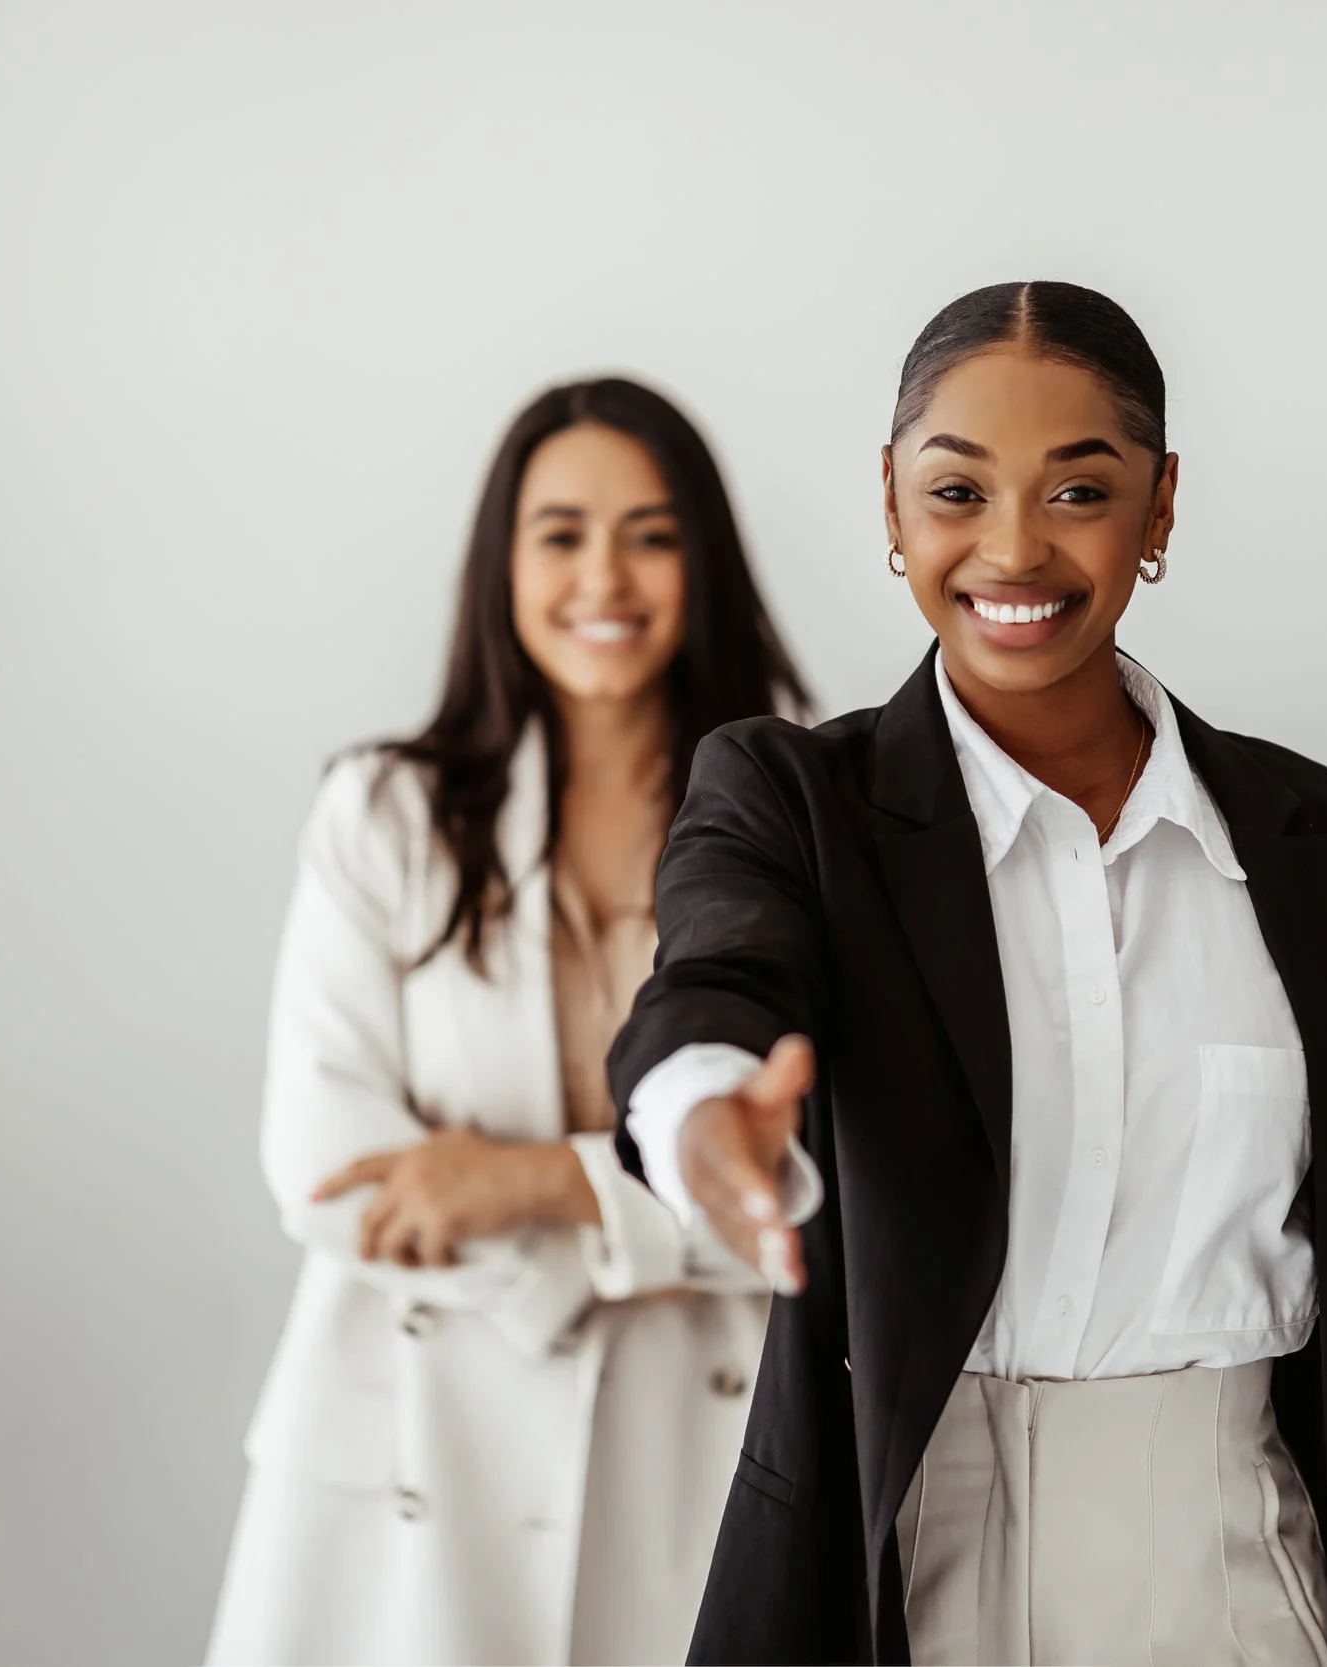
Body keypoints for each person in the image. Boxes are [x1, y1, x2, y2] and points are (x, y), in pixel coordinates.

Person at [607, 281, 1327, 1666]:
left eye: (1078, 492)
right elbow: (715, 970)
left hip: (1235, 1562)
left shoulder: (1324, 845)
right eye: (956, 490)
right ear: (889, 503)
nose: (1013, 547)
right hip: (909, 1561)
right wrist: (708, 1115)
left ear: (1160, 507)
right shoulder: (790, 796)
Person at [208, 377, 808, 1666]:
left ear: (705, 560)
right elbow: (331, 1174)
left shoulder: (803, 813)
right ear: (504, 564)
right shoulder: (387, 816)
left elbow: (819, 1189)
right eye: (562, 533)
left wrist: (531, 1182)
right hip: (418, 1457)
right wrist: (645, 1229)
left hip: (702, 1445)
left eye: (652, 534)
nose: (607, 575)